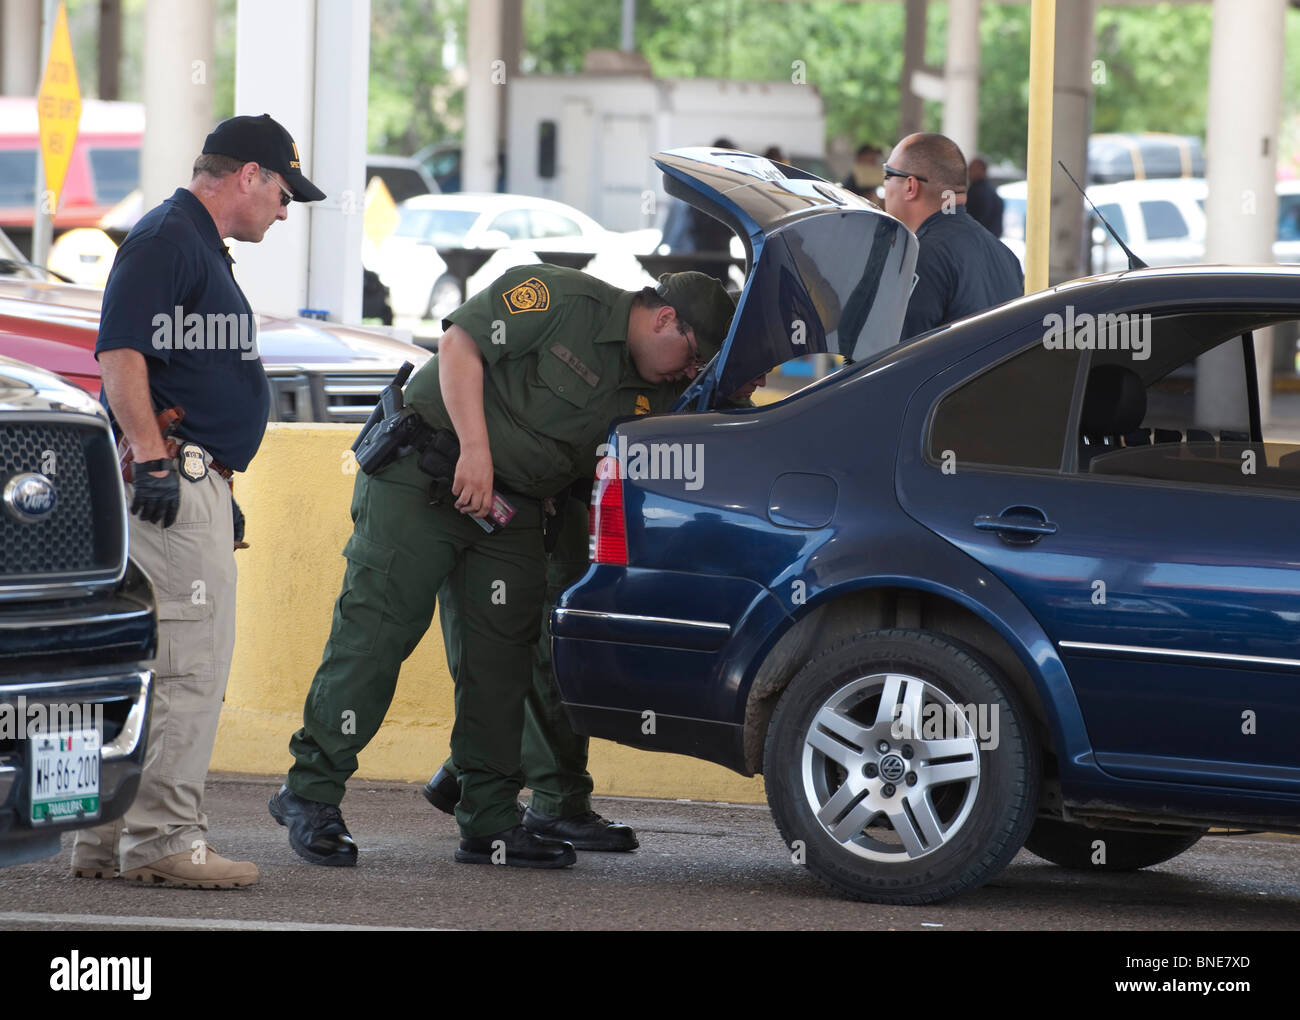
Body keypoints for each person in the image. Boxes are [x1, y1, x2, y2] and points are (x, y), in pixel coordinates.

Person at [269, 265, 734, 869]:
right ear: (665, 318)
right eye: (692, 357)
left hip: (510, 511)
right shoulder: (561, 298)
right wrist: (476, 450)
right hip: (429, 474)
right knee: (376, 636)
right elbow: (460, 344)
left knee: (501, 663)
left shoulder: (662, 382)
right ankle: (310, 793)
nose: (688, 374)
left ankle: (489, 820)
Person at [74, 113, 325, 888]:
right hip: (171, 480)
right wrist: (159, 460)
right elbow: (120, 353)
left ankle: (107, 836)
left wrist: (206, 471)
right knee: (190, 665)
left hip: (185, 476)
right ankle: (162, 840)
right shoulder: (169, 239)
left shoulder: (184, 240)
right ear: (248, 175)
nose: (285, 211)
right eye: (283, 192)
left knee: (147, 663)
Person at [882, 133, 1023, 340]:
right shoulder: (1006, 256)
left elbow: (891, 360)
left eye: (887, 174)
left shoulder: (921, 256)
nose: (883, 187)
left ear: (911, 186)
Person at [964, 157, 1004, 236]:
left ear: (983, 170)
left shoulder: (976, 191)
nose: (969, 173)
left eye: (972, 169)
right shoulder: (991, 191)